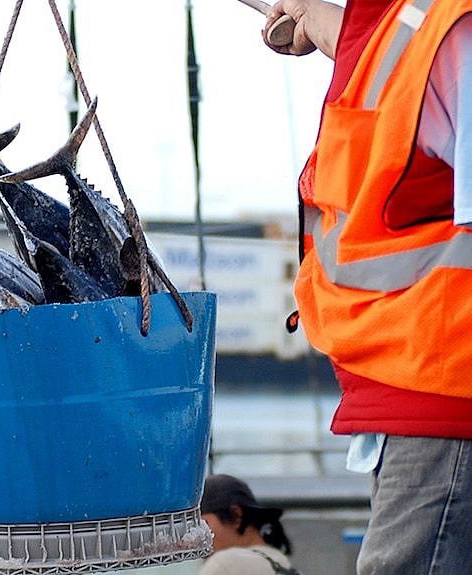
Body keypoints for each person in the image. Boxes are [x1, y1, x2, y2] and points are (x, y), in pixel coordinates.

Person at [257, 1, 472, 573]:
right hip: (413, 388)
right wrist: (313, 15)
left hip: (443, 389)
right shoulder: (409, 26)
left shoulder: (452, 29)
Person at [199, 474, 299, 575]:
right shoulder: (283, 563)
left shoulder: (225, 565)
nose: (195, 538)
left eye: (202, 524)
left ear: (236, 515)